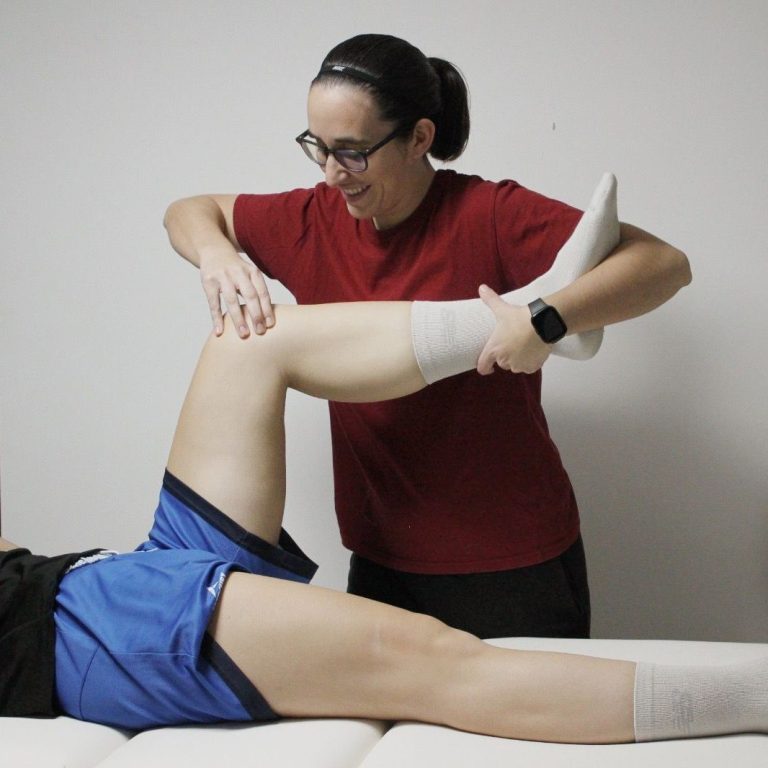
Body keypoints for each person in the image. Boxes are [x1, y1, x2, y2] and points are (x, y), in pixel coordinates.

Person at [0, 297, 764, 743]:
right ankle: (753, 699)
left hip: (93, 576)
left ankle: (535, 314)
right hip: (81, 633)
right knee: (432, 657)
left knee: (249, 342)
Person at [163, 33, 692, 638]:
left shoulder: (490, 213)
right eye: (319, 148)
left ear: (419, 138)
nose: (333, 174)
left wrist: (547, 318)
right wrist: (217, 255)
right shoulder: (311, 220)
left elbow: (664, 264)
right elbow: (188, 210)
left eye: (353, 152)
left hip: (510, 562)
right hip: (381, 558)